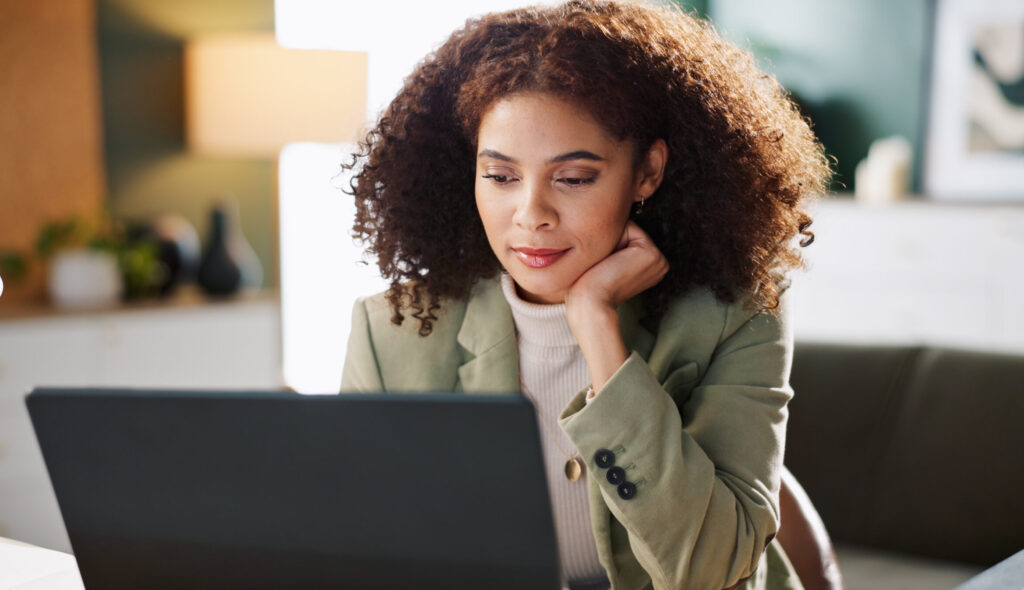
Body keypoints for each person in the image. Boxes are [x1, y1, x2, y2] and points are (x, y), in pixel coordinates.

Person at [340, 1, 831, 588]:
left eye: (573, 178)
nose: (531, 214)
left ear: (647, 172)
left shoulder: (737, 312)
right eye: (500, 176)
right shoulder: (391, 333)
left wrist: (597, 326)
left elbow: (712, 569)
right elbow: (362, 552)